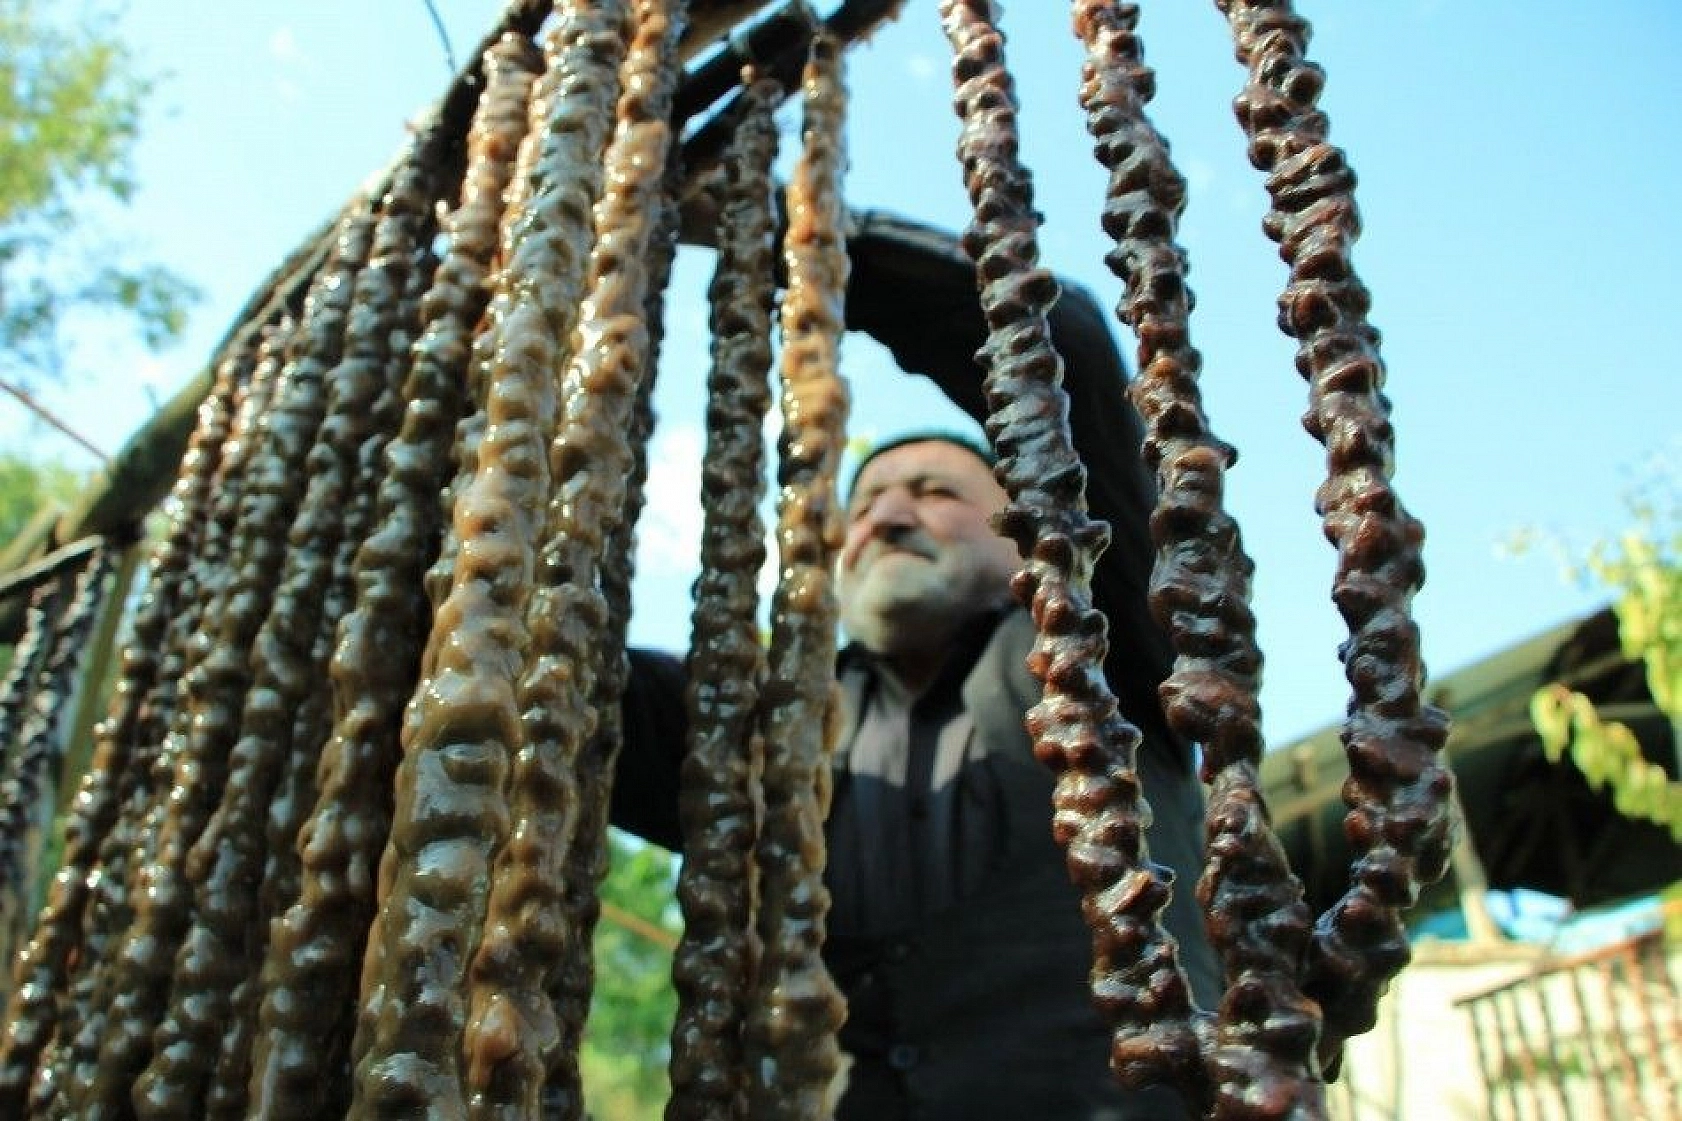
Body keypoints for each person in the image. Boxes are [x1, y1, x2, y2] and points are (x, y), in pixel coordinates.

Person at [614, 213, 1218, 1119]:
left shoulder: (1105, 650)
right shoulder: (760, 730)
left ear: (1027, 544)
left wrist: (796, 231)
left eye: (936, 494)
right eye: (866, 505)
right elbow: (541, 683)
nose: (889, 516)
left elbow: (1065, 345)